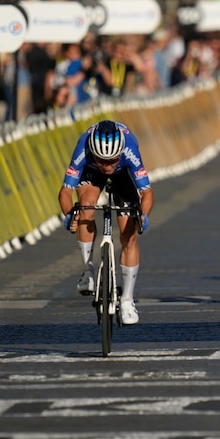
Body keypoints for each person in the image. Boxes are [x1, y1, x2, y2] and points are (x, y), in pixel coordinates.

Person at [58, 120, 154, 325]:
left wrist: (143, 216)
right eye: (102, 160)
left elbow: (147, 193)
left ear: (120, 152)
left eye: (112, 160)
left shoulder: (129, 147)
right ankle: (88, 270)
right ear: (94, 152)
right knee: (85, 206)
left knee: (129, 234)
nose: (108, 166)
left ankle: (127, 300)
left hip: (124, 176)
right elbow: (65, 191)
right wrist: (69, 214)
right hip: (91, 175)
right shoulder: (83, 146)